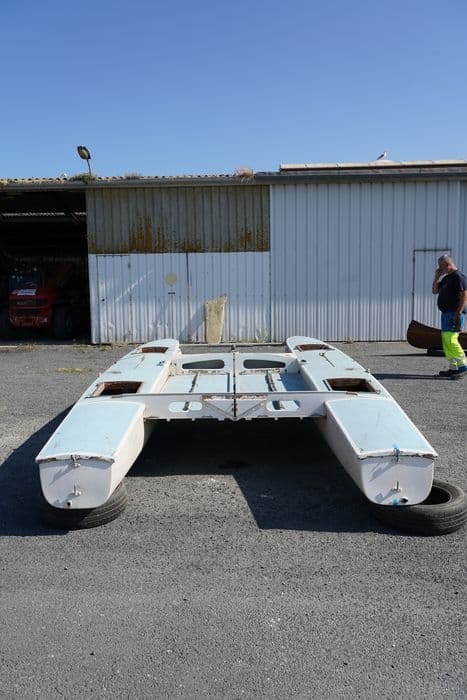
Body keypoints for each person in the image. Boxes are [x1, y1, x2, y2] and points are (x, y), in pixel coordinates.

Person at [432, 254, 467, 379]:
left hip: (455, 314)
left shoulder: (458, 277)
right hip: (446, 314)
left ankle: (463, 366)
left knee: (451, 339)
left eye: (441, 267)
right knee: (446, 341)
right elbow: (434, 291)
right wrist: (437, 277)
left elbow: (464, 295)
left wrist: (458, 313)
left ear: (448, 265)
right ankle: (453, 367)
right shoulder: (446, 278)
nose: (440, 269)